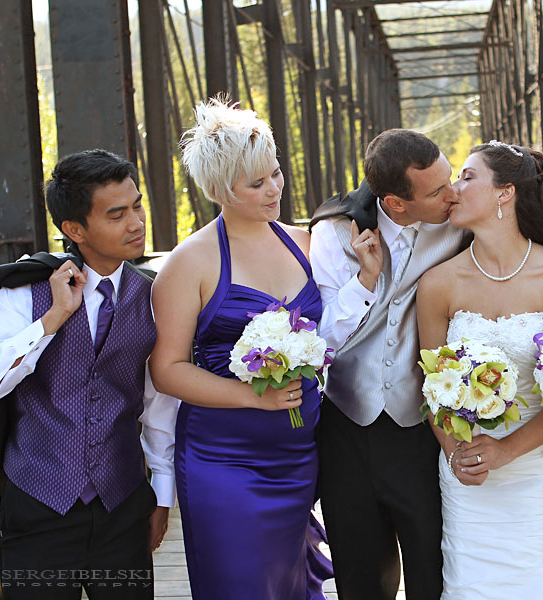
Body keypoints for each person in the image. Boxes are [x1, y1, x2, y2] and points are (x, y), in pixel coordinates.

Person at [0, 149, 175, 598]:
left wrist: (162, 493)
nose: (136, 223)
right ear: (74, 229)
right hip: (38, 508)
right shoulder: (23, 293)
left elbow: (159, 404)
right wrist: (52, 319)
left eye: (137, 206)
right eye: (117, 214)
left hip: (123, 506)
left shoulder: (153, 297)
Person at [148, 98, 331, 600]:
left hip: (298, 454)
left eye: (276, 174)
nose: (274, 189)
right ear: (218, 190)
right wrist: (252, 396)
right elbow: (167, 369)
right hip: (223, 457)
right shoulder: (189, 263)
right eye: (256, 183)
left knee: (287, 585)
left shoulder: (308, 244)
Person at [416, 140, 543, 599]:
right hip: (469, 475)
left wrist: (507, 450)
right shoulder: (437, 284)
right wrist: (456, 452)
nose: (453, 189)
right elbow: (432, 389)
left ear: (505, 192)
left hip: (540, 472)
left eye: (467, 177)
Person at [309, 129, 463, 599]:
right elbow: (321, 340)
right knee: (360, 575)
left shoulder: (461, 221)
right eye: (437, 191)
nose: (452, 195)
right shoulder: (335, 231)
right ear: (395, 203)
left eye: (451, 179)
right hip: (347, 426)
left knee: (432, 568)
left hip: (422, 428)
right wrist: (365, 280)